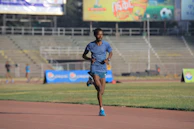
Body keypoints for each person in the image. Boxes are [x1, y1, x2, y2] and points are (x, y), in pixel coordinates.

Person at [82, 28, 113, 116]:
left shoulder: (106, 44)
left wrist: (108, 59)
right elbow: (83, 55)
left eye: (101, 34)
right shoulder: (90, 45)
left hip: (103, 68)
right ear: (95, 35)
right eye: (98, 34)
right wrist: (90, 59)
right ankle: (101, 109)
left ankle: (91, 81)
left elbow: (111, 52)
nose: (100, 36)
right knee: (99, 88)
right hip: (94, 67)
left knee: (102, 92)